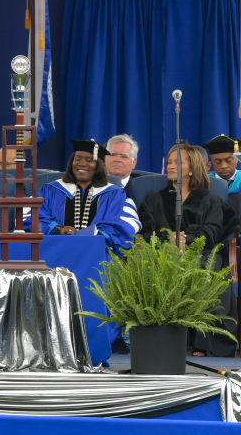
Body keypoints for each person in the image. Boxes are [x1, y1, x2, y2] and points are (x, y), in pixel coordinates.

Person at [139, 143, 239, 357]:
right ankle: (165, 338)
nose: (171, 166)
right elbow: (147, 232)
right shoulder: (153, 201)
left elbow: (213, 232)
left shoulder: (211, 201)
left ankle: (203, 343)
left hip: (201, 255)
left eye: (178, 162)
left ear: (192, 167)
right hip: (161, 255)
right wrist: (171, 240)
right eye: (169, 162)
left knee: (207, 268)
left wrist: (187, 241)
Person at [37, 139, 139, 252]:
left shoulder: (115, 194)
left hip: (97, 254)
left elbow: (126, 223)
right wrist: (56, 229)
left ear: (99, 166)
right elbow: (31, 216)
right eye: (78, 158)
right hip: (55, 250)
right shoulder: (50, 190)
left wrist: (96, 235)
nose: (82, 163)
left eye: (89, 160)